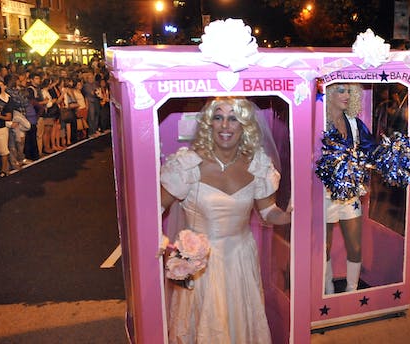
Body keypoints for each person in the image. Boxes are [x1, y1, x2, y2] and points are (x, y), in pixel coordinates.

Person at [159, 97, 291, 343]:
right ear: (209, 123)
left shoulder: (258, 165)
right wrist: (161, 240)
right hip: (200, 265)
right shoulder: (187, 166)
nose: (225, 126)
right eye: (218, 117)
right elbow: (154, 209)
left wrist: (287, 216)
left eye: (233, 118)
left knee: (239, 322)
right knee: (206, 324)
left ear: (245, 125)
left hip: (240, 258)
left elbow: (268, 211)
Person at [322, 83, 376, 294]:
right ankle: (327, 289)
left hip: (350, 194)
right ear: (328, 93)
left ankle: (352, 290)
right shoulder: (319, 122)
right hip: (324, 194)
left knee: (355, 246)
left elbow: (370, 150)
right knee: (323, 248)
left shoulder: (355, 124)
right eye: (341, 90)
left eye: (349, 91)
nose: (346, 95)